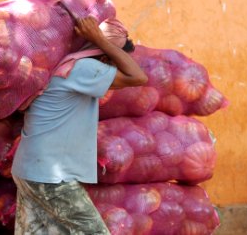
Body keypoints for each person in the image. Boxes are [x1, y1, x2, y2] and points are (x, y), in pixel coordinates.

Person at [11, 16, 148, 234]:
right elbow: (138, 76)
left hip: (30, 170)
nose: (111, 68)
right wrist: (100, 39)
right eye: (111, 61)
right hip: (50, 177)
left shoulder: (65, 67)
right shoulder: (82, 69)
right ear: (100, 54)